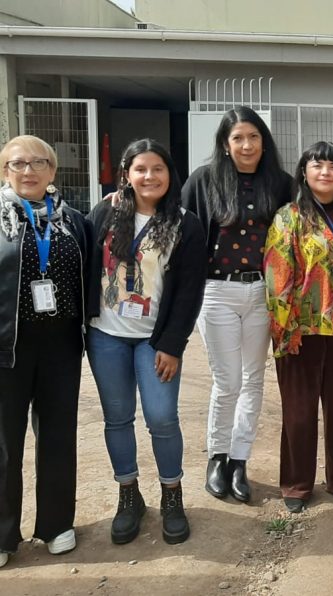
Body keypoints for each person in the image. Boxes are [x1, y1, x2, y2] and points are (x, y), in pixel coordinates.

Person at [86, 139, 206, 545]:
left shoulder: (186, 224)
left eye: (158, 169)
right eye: (140, 169)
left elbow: (190, 290)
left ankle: (172, 494)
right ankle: (129, 494)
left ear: (170, 174)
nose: (149, 177)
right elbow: (84, 258)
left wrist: (173, 344)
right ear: (127, 173)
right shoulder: (105, 212)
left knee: (161, 418)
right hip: (106, 336)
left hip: (155, 341)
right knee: (117, 418)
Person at [182, 106, 294, 504]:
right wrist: (124, 194)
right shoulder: (204, 181)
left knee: (253, 380)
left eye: (253, 137)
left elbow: (313, 210)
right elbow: (177, 223)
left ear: (264, 142)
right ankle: (218, 457)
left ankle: (240, 460)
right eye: (237, 138)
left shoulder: (281, 184)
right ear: (226, 145)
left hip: (262, 294)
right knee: (226, 381)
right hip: (217, 293)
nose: (246, 145)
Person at [265, 141, 333, 513]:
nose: (325, 172)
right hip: (303, 327)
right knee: (299, 409)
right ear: (304, 172)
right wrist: (284, 331)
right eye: (318, 165)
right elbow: (277, 277)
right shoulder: (289, 217)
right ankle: (297, 483)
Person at [0, 135, 90, 568]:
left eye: (38, 163)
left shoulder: (73, 220)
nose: (28, 170)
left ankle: (57, 524)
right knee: (4, 443)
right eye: (18, 163)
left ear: (53, 171)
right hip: (6, 348)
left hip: (61, 345)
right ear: (5, 171)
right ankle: (2, 534)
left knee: (57, 435)